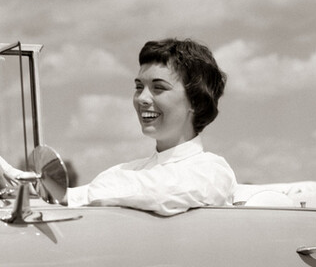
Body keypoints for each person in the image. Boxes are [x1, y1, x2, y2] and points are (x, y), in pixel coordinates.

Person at [61, 38, 237, 216]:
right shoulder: (125, 170)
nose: (142, 98)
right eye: (139, 87)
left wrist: (77, 195)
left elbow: (161, 192)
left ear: (196, 101)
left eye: (158, 88)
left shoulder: (213, 172)